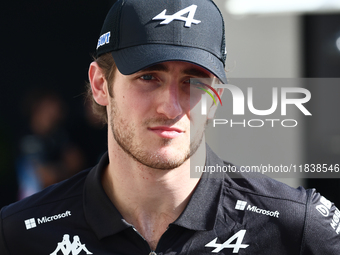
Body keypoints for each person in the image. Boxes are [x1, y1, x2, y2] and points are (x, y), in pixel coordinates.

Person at [1, 0, 339, 254]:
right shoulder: (19, 234)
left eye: (193, 81)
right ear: (101, 85)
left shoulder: (297, 226)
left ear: (217, 98)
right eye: (148, 77)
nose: (170, 106)